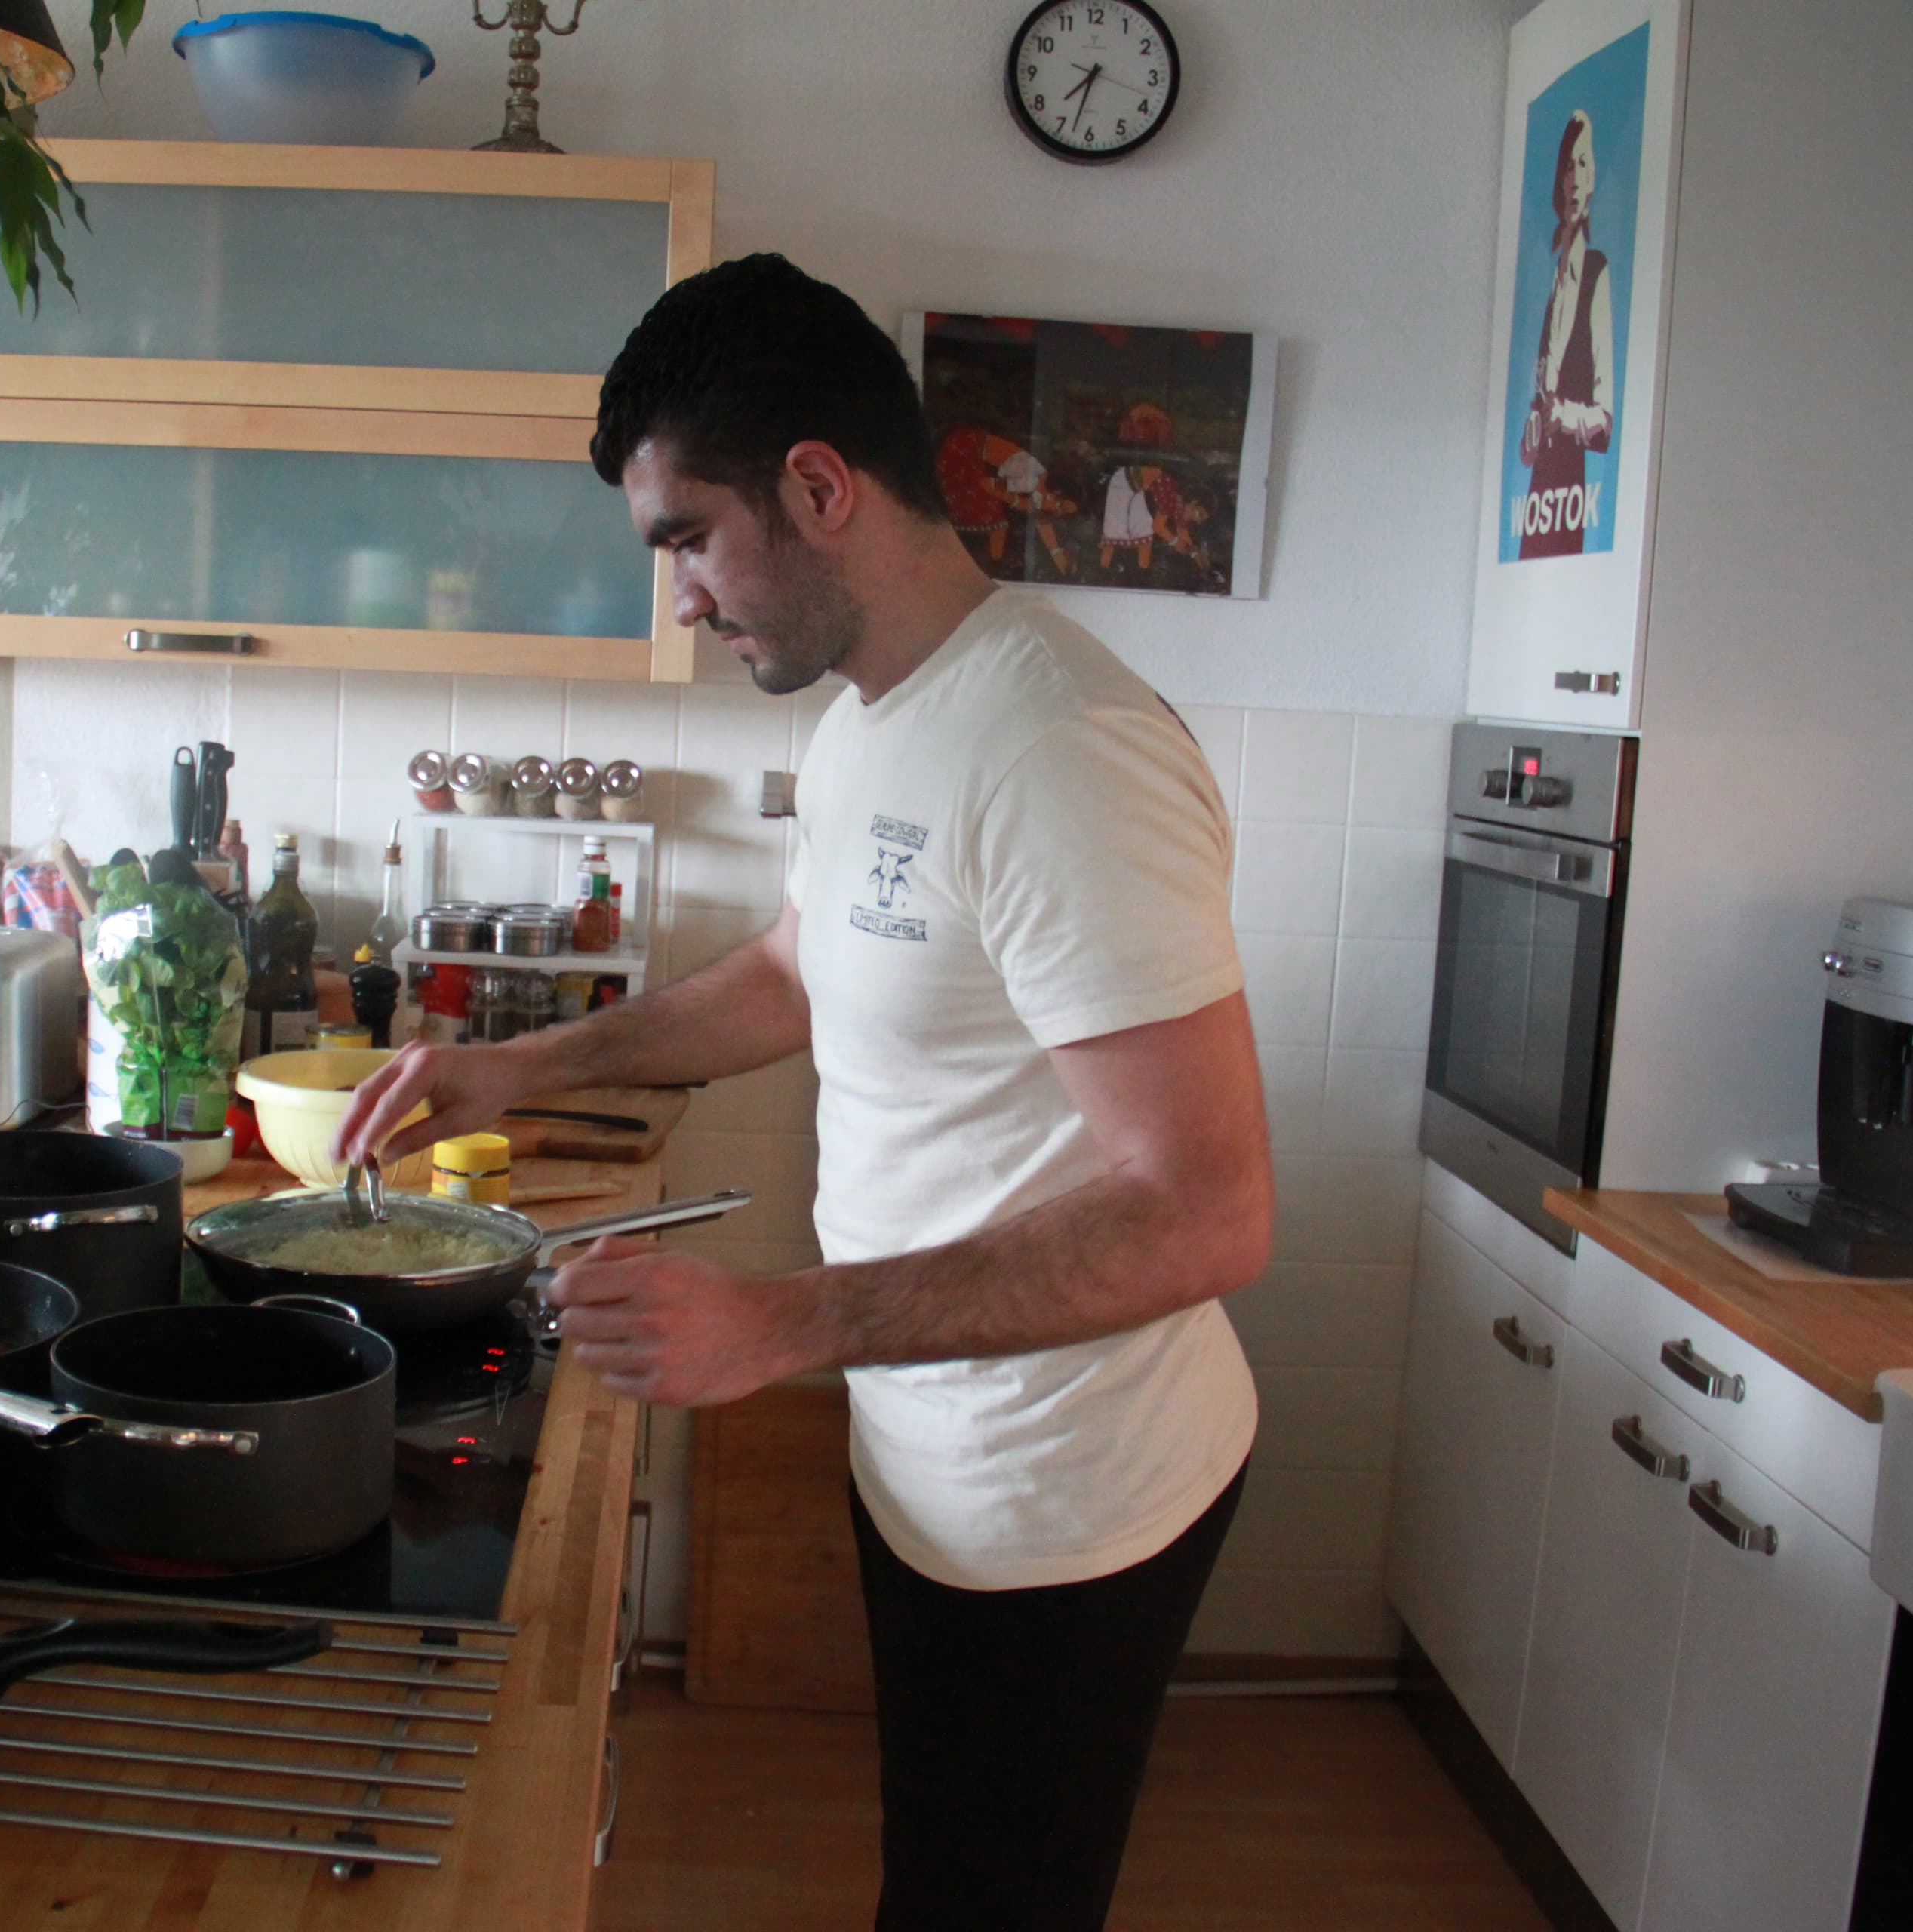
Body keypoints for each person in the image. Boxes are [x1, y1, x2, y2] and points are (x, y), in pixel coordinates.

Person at [333, 253, 1270, 1932]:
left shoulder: (1062, 746)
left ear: (819, 487)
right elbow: (795, 967)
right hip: (931, 1426)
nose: (681, 595)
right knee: (936, 1857)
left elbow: (1204, 1212)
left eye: (687, 536)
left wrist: (775, 1325)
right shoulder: (868, 718)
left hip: (1074, 1491)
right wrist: (517, 1059)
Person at [1517, 107, 1617, 560]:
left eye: (1583, 163)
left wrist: (1564, 416)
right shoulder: (1549, 288)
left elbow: (1606, 421)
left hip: (1569, 494)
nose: (1574, 178)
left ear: (1592, 175)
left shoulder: (1596, 274)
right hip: (1540, 495)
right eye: (1567, 167)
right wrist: (1534, 431)